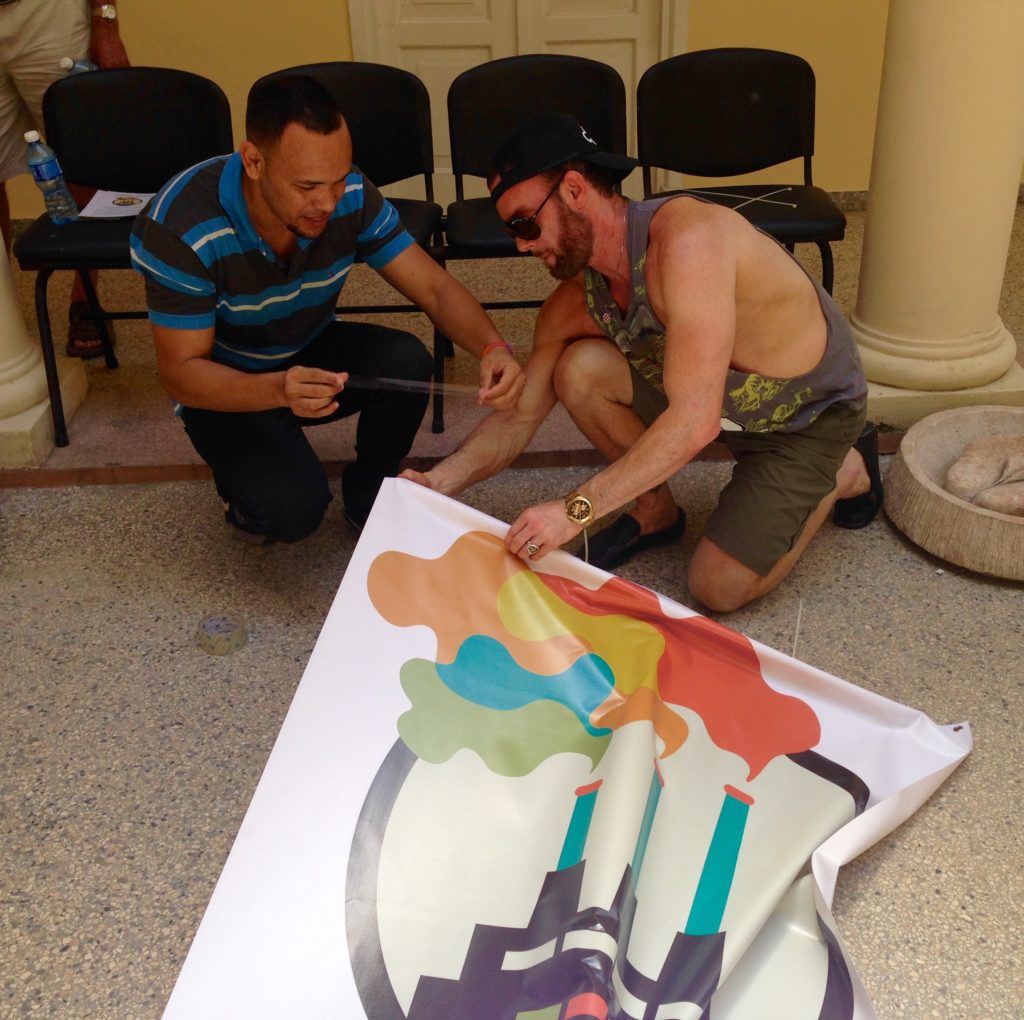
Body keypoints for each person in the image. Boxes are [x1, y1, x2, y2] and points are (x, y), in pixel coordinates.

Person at [401, 113, 883, 613]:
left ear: (572, 190)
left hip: (805, 420)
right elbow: (520, 415)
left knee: (716, 587)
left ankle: (844, 470)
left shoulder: (688, 242)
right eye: (512, 231)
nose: (521, 243)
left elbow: (692, 423)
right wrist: (438, 482)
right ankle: (654, 510)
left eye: (525, 222)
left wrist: (573, 512)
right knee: (578, 369)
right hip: (721, 408)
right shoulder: (574, 301)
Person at [130, 73, 523, 543]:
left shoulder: (349, 194)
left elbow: (434, 289)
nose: (328, 202)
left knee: (407, 361)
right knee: (292, 513)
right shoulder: (179, 225)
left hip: (306, 344)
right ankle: (245, 485)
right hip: (224, 379)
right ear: (253, 161)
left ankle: (370, 500)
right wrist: (277, 389)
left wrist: (493, 346)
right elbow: (181, 373)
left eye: (338, 180)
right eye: (308, 186)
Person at [0, 0, 130, 356]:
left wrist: (106, 22)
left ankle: (85, 300)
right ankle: (4, 314)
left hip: (45, 14)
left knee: (81, 154)